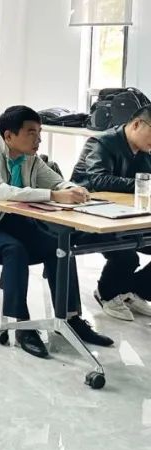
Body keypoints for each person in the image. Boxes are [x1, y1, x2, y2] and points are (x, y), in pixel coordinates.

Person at [0, 105, 112, 358]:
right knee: (15, 250)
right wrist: (54, 195)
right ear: (8, 135)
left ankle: (70, 318)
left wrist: (74, 189)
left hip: (15, 222)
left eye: (39, 132)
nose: (39, 139)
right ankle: (21, 325)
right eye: (31, 133)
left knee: (60, 246)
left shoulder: (29, 156)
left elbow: (55, 181)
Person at [71, 106, 151, 321]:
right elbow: (99, 180)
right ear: (137, 124)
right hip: (90, 216)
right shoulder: (101, 142)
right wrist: (143, 183)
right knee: (127, 255)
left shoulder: (144, 150)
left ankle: (134, 290)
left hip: (127, 215)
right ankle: (107, 293)